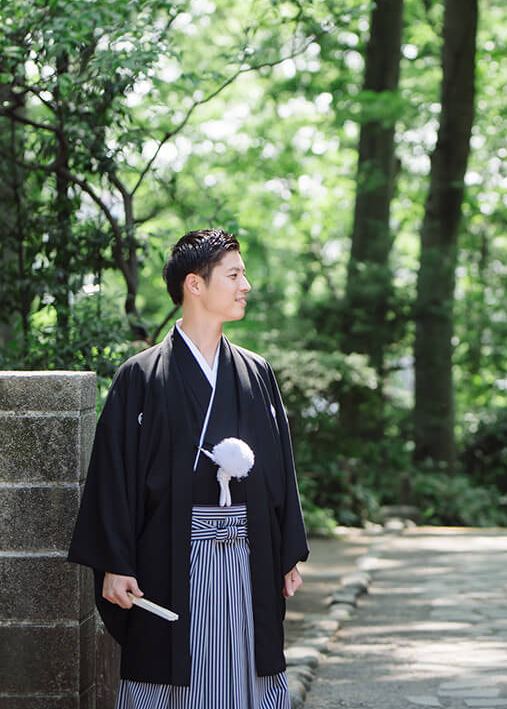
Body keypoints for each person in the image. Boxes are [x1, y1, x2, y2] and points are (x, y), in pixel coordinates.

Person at [69, 229, 308, 709]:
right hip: (171, 556)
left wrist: (287, 552)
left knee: (247, 671)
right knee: (169, 670)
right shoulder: (141, 375)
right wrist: (116, 564)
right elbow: (114, 475)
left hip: (247, 554)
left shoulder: (255, 371)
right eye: (234, 275)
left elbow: (279, 466)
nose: (246, 285)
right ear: (194, 285)